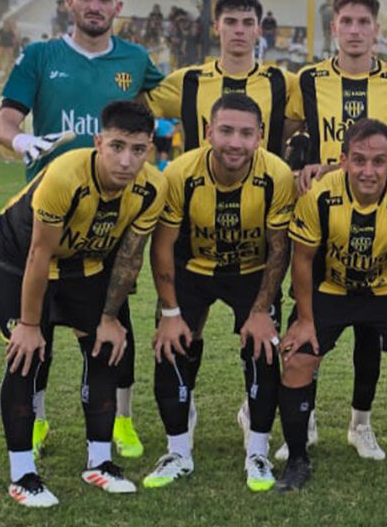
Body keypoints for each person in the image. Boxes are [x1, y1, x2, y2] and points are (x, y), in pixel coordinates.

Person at [0, 0, 164, 460]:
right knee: (38, 325)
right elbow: (5, 122)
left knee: (116, 325)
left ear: (118, 6)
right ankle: (38, 420)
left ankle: (123, 422)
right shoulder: (40, 56)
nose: (94, 6)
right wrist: (20, 140)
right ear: (69, 1)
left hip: (110, 221)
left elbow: (173, 101)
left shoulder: (136, 59)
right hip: (51, 214)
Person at [0, 101, 165, 507]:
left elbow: (129, 258)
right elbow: (39, 254)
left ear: (150, 149)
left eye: (137, 150)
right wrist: (29, 325)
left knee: (106, 348)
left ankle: (99, 463)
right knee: (26, 356)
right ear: (98, 142)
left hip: (85, 261)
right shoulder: (66, 174)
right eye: (117, 147)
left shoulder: (153, 187)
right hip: (22, 258)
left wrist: (109, 317)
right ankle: (22, 474)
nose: (126, 161)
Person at [285, 0, 387, 461]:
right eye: (347, 21)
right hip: (321, 215)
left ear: (377, 30)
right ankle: (306, 418)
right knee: (309, 320)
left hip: (380, 214)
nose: (356, 30)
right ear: (334, 27)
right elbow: (287, 135)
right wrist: (299, 163)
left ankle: (360, 425)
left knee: (369, 330)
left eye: (364, 22)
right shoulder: (307, 79)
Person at [142, 93, 294, 492]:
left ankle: (257, 450)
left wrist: (260, 311)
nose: (235, 142)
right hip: (193, 268)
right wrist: (170, 314)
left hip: (251, 270)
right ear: (209, 132)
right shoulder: (180, 172)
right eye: (226, 131)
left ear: (260, 136)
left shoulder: (276, 175)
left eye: (246, 133)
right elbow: (162, 246)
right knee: (172, 344)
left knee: (263, 346)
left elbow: (279, 248)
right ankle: (178, 450)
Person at [277, 119, 387, 496]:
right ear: (344, 160)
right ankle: (297, 458)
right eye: (360, 160)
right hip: (332, 287)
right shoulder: (319, 195)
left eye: (379, 161)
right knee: (298, 358)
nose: (369, 171)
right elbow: (302, 259)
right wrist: (305, 320)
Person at [148, 0, 296, 156]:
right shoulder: (186, 81)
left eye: (248, 23)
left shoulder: (284, 83)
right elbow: (137, 104)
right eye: (230, 22)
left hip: (266, 173)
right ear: (216, 27)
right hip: (200, 173)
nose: (239, 30)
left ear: (258, 30)